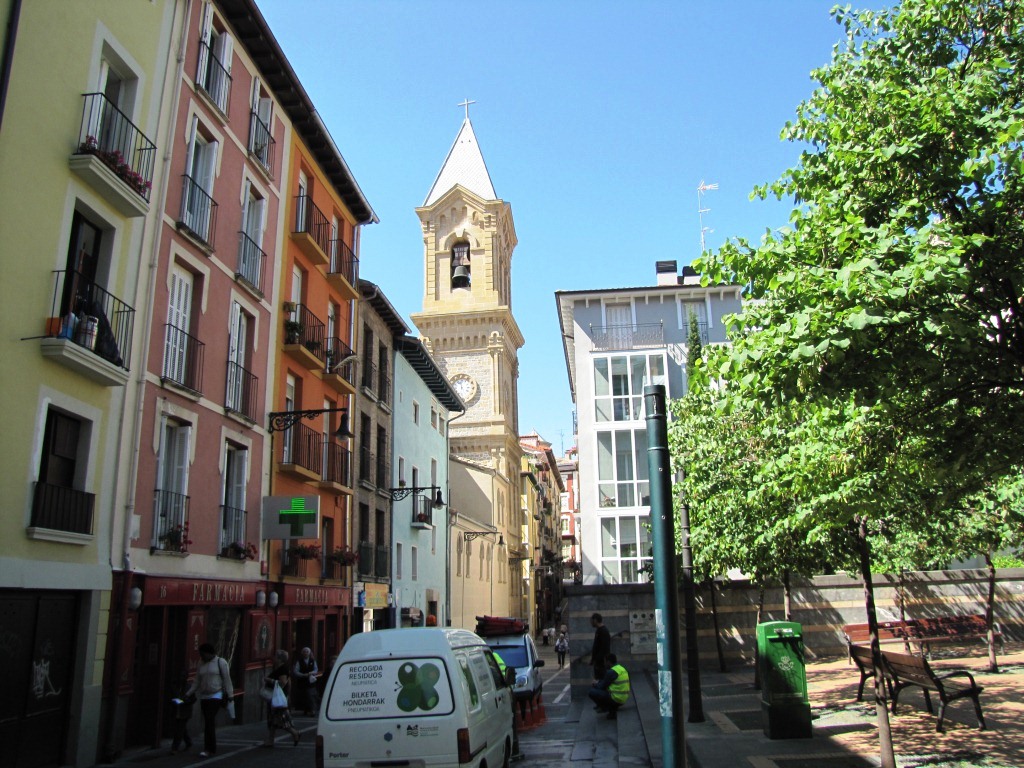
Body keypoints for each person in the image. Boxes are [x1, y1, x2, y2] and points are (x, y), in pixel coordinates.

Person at [185, 643, 233, 758]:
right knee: (208, 721)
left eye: (203, 654)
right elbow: (197, 680)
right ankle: (210, 747)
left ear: (209, 653)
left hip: (216, 694)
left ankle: (209, 748)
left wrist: (230, 694)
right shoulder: (201, 663)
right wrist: (188, 693)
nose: (201, 656)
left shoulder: (221, 662)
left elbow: (227, 679)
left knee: (209, 720)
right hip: (204, 696)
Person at [262, 650, 300, 748]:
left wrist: (269, 680)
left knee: (281, 720)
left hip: (277, 698)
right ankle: (270, 740)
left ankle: (295, 733)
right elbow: (289, 683)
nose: (273, 658)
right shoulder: (280, 668)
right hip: (276, 697)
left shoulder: (283, 669)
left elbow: (283, 682)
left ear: (279, 659)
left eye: (275, 656)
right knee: (273, 720)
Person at [588, 653, 630, 720]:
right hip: (623, 698)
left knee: (592, 692)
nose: (604, 664)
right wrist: (599, 682)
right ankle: (608, 707)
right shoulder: (621, 668)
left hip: (616, 698)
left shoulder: (611, 672)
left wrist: (595, 683)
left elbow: (601, 686)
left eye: (605, 662)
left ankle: (606, 708)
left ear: (609, 662)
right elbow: (607, 681)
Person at [169, 669, 194, 754]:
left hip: (184, 710)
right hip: (176, 709)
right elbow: (171, 696)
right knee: (181, 729)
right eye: (180, 676)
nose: (181, 678)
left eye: (183, 676)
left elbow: (193, 699)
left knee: (179, 730)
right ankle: (188, 742)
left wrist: (185, 701)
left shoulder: (188, 687)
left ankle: (174, 747)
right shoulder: (175, 686)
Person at [293, 647, 320, 716]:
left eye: (307, 652)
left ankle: (312, 710)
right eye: (304, 652)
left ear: (309, 653)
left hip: (311, 682)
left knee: (311, 695)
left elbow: (316, 669)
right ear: (302, 653)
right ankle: (306, 709)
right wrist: (303, 675)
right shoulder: (299, 661)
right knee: (304, 696)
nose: (306, 653)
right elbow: (296, 671)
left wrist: (311, 673)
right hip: (302, 682)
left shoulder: (312, 661)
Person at [589, 612, 611, 681]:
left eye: (591, 621)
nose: (591, 623)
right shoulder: (599, 630)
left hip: (601, 663)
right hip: (598, 662)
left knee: (601, 680)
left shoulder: (603, 631)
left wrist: (598, 659)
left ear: (595, 620)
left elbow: (605, 648)